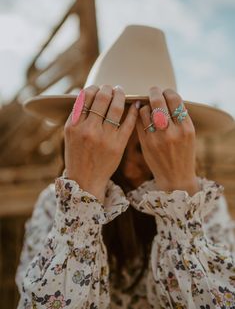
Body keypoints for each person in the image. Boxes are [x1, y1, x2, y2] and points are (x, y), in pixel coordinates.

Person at [16, 26, 235, 309]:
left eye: (148, 148)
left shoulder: (205, 206)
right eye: (113, 148)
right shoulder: (54, 204)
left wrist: (180, 198)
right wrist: (83, 199)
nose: (131, 167)